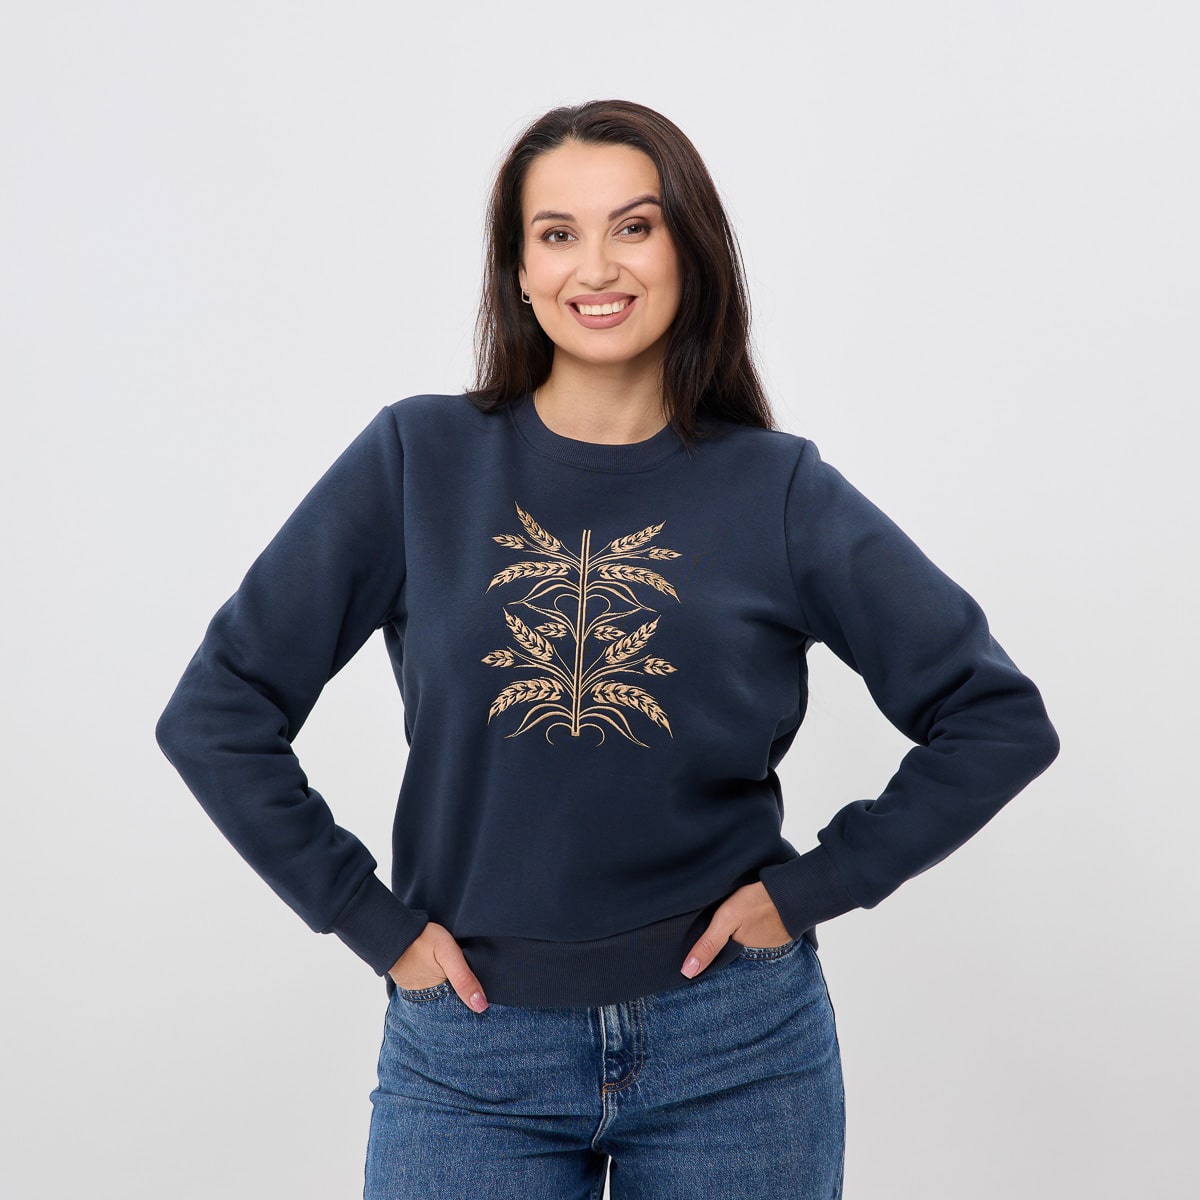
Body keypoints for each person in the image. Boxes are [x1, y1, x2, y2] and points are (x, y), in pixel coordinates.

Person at [156, 98, 1060, 1199]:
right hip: (470, 1051)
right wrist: (367, 919)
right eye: (557, 233)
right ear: (519, 270)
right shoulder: (418, 460)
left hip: (737, 1049)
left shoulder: (775, 488)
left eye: (634, 226)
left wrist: (815, 887)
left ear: (689, 250)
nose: (597, 267)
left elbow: (995, 719)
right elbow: (218, 711)